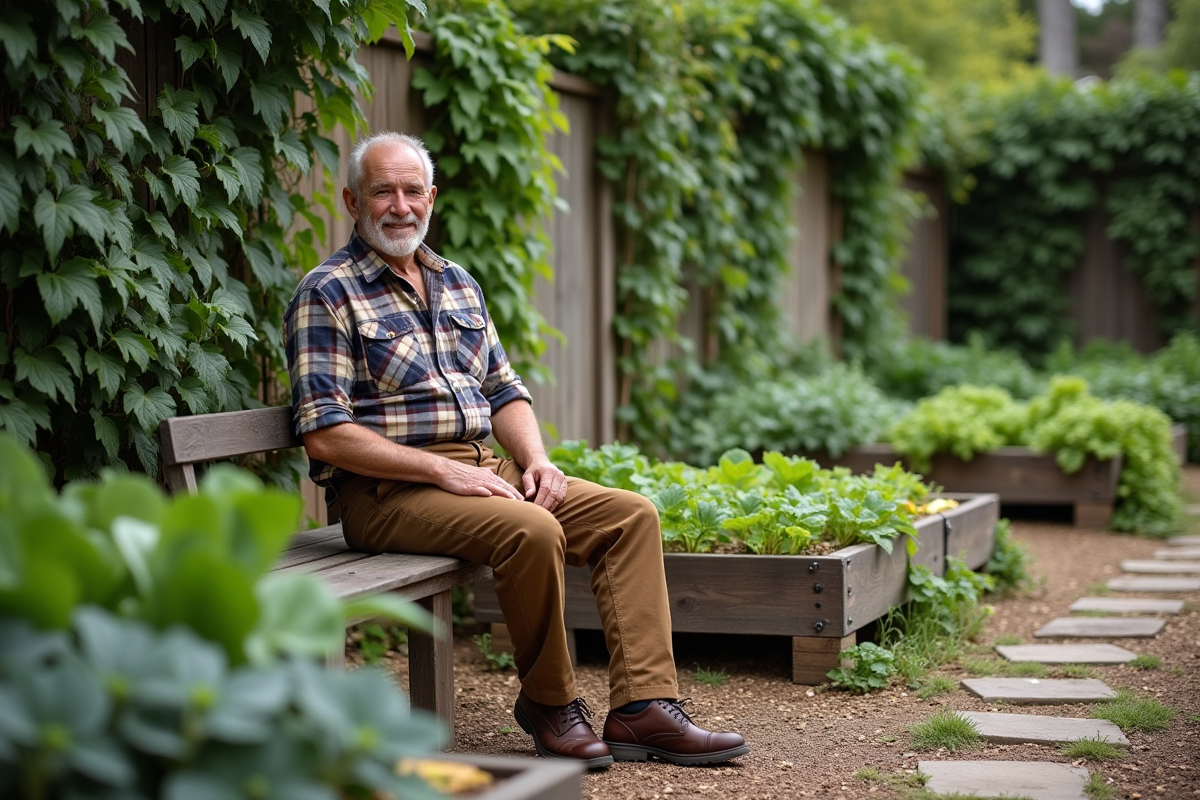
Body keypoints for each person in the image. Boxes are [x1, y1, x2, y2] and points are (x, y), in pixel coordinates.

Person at [284, 131, 749, 769]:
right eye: (382, 191)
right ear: (351, 201)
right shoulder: (327, 291)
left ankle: (643, 709)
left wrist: (537, 460)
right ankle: (550, 705)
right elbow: (326, 431)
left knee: (630, 515)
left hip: (483, 469)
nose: (400, 205)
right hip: (386, 491)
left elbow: (504, 391)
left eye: (412, 190)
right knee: (529, 529)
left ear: (431, 198)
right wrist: (443, 472)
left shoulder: (456, 282)